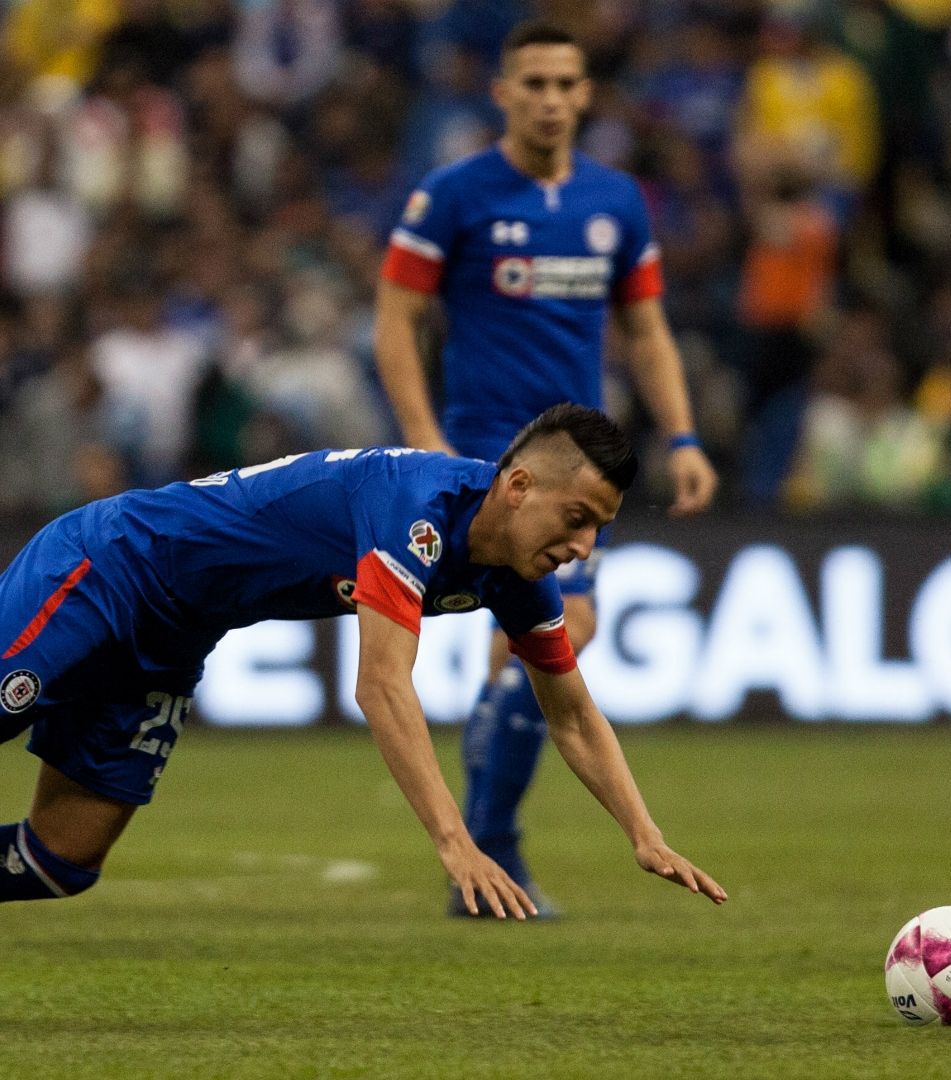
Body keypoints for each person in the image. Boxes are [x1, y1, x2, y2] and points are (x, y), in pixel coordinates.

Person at [0, 404, 726, 1032]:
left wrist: (643, 832)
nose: (582, 547)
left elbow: (571, 710)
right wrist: (454, 841)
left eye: (598, 530)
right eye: (577, 518)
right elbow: (382, 687)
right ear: (519, 483)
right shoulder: (415, 510)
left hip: (173, 634)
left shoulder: (517, 574)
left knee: (62, 857)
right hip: (112, 562)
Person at [371, 21, 719, 914]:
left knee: (525, 653)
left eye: (566, 83)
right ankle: (493, 847)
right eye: (534, 83)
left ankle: (488, 855)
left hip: (579, 463)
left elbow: (646, 328)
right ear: (502, 93)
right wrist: (423, 437)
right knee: (564, 632)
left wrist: (682, 436)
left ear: (586, 94)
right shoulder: (453, 195)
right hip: (490, 458)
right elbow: (395, 319)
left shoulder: (616, 201)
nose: (551, 100)